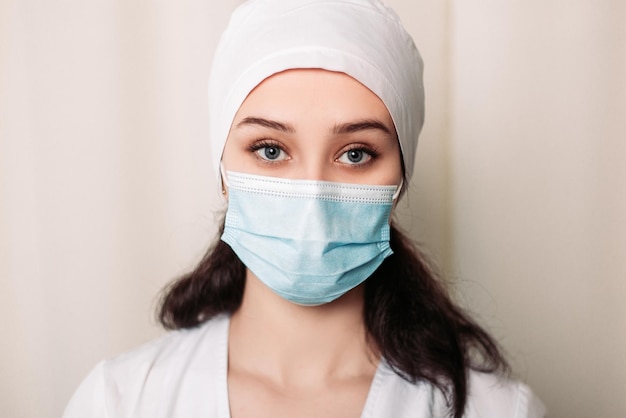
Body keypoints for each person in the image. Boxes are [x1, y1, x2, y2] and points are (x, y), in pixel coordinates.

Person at [64, 0, 547, 417]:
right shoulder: (120, 401)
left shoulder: (494, 410)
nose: (312, 198)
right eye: (270, 150)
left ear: (399, 180)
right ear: (223, 170)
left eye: (355, 153)